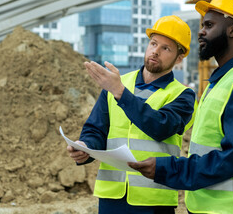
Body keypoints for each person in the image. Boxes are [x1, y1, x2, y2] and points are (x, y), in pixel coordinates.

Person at [129, 0, 233, 214]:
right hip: (208, 206)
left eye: (209, 25)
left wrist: (169, 169)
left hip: (229, 210)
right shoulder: (222, 82)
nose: (201, 32)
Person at [67, 15, 197, 214]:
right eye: (154, 43)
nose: (156, 51)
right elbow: (96, 130)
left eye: (166, 48)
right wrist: (85, 147)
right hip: (112, 196)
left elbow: (161, 127)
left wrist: (119, 92)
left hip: (153, 199)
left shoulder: (183, 95)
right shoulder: (118, 85)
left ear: (179, 58)